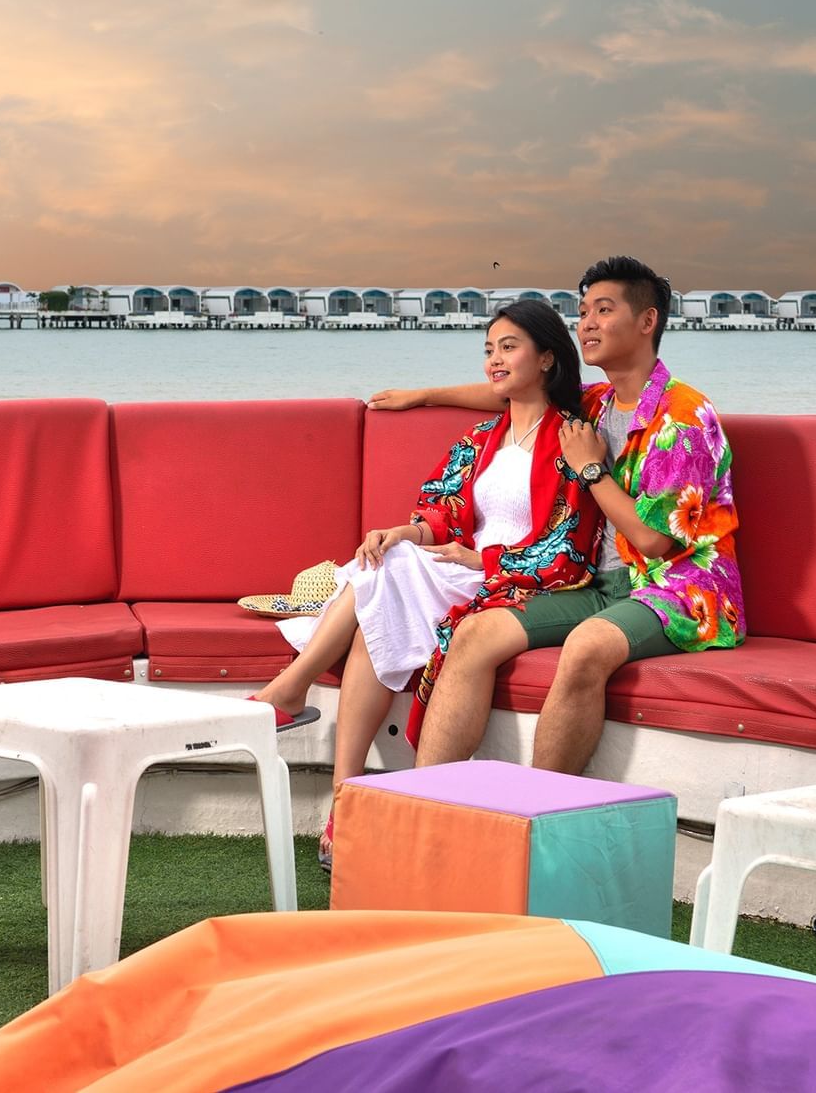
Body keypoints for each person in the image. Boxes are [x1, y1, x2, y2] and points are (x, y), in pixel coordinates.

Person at [253, 300, 602, 866]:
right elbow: (441, 513)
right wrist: (404, 531)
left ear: (546, 358)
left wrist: (481, 558)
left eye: (508, 347)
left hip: (508, 580)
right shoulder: (483, 436)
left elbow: (568, 545)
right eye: (488, 349)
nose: (494, 359)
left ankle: (294, 695)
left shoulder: (571, 438)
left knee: (381, 587)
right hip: (451, 567)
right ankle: (345, 799)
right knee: (382, 574)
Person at [368, 255, 743, 775]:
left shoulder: (684, 417)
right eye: (583, 311)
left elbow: (654, 542)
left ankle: (543, 809)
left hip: (677, 588)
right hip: (594, 582)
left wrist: (592, 471)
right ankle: (426, 800)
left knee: (587, 645)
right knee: (474, 633)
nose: (586, 323)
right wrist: (424, 395)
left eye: (603, 310)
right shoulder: (596, 403)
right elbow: (511, 389)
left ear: (647, 320)